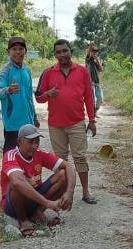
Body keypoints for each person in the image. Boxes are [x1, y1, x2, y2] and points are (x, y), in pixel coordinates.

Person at [35, 39, 97, 204]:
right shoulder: (48, 73)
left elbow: (89, 97)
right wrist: (48, 94)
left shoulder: (83, 71)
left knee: (80, 158)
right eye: (58, 52)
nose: (62, 55)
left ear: (71, 51)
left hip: (77, 123)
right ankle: (63, 193)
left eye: (65, 51)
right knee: (60, 160)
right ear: (54, 54)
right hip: (55, 125)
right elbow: (38, 98)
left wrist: (92, 120)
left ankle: (85, 191)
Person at [1, 124, 76, 237]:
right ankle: (23, 219)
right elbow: (17, 182)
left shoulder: (40, 153)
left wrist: (69, 192)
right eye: (30, 142)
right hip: (13, 205)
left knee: (63, 175)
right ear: (19, 142)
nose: (35, 146)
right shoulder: (10, 155)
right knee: (16, 183)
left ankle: (37, 212)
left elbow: (68, 166)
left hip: (34, 199)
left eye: (37, 142)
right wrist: (48, 203)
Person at [0, 37, 39, 153]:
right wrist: (8, 90)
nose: (18, 52)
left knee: (28, 155)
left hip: (28, 122)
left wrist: (34, 117)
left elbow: (29, 98)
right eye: (14, 49)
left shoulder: (27, 70)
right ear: (8, 51)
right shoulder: (5, 71)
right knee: (11, 156)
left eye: (21, 49)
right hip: (12, 124)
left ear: (25, 51)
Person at [85, 42, 104, 114]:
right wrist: (91, 48)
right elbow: (87, 64)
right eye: (93, 51)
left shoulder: (97, 60)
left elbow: (101, 70)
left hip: (97, 82)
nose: (95, 53)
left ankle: (95, 111)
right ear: (90, 51)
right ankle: (92, 115)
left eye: (96, 51)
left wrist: (98, 61)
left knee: (100, 99)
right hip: (91, 82)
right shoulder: (88, 59)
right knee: (93, 100)